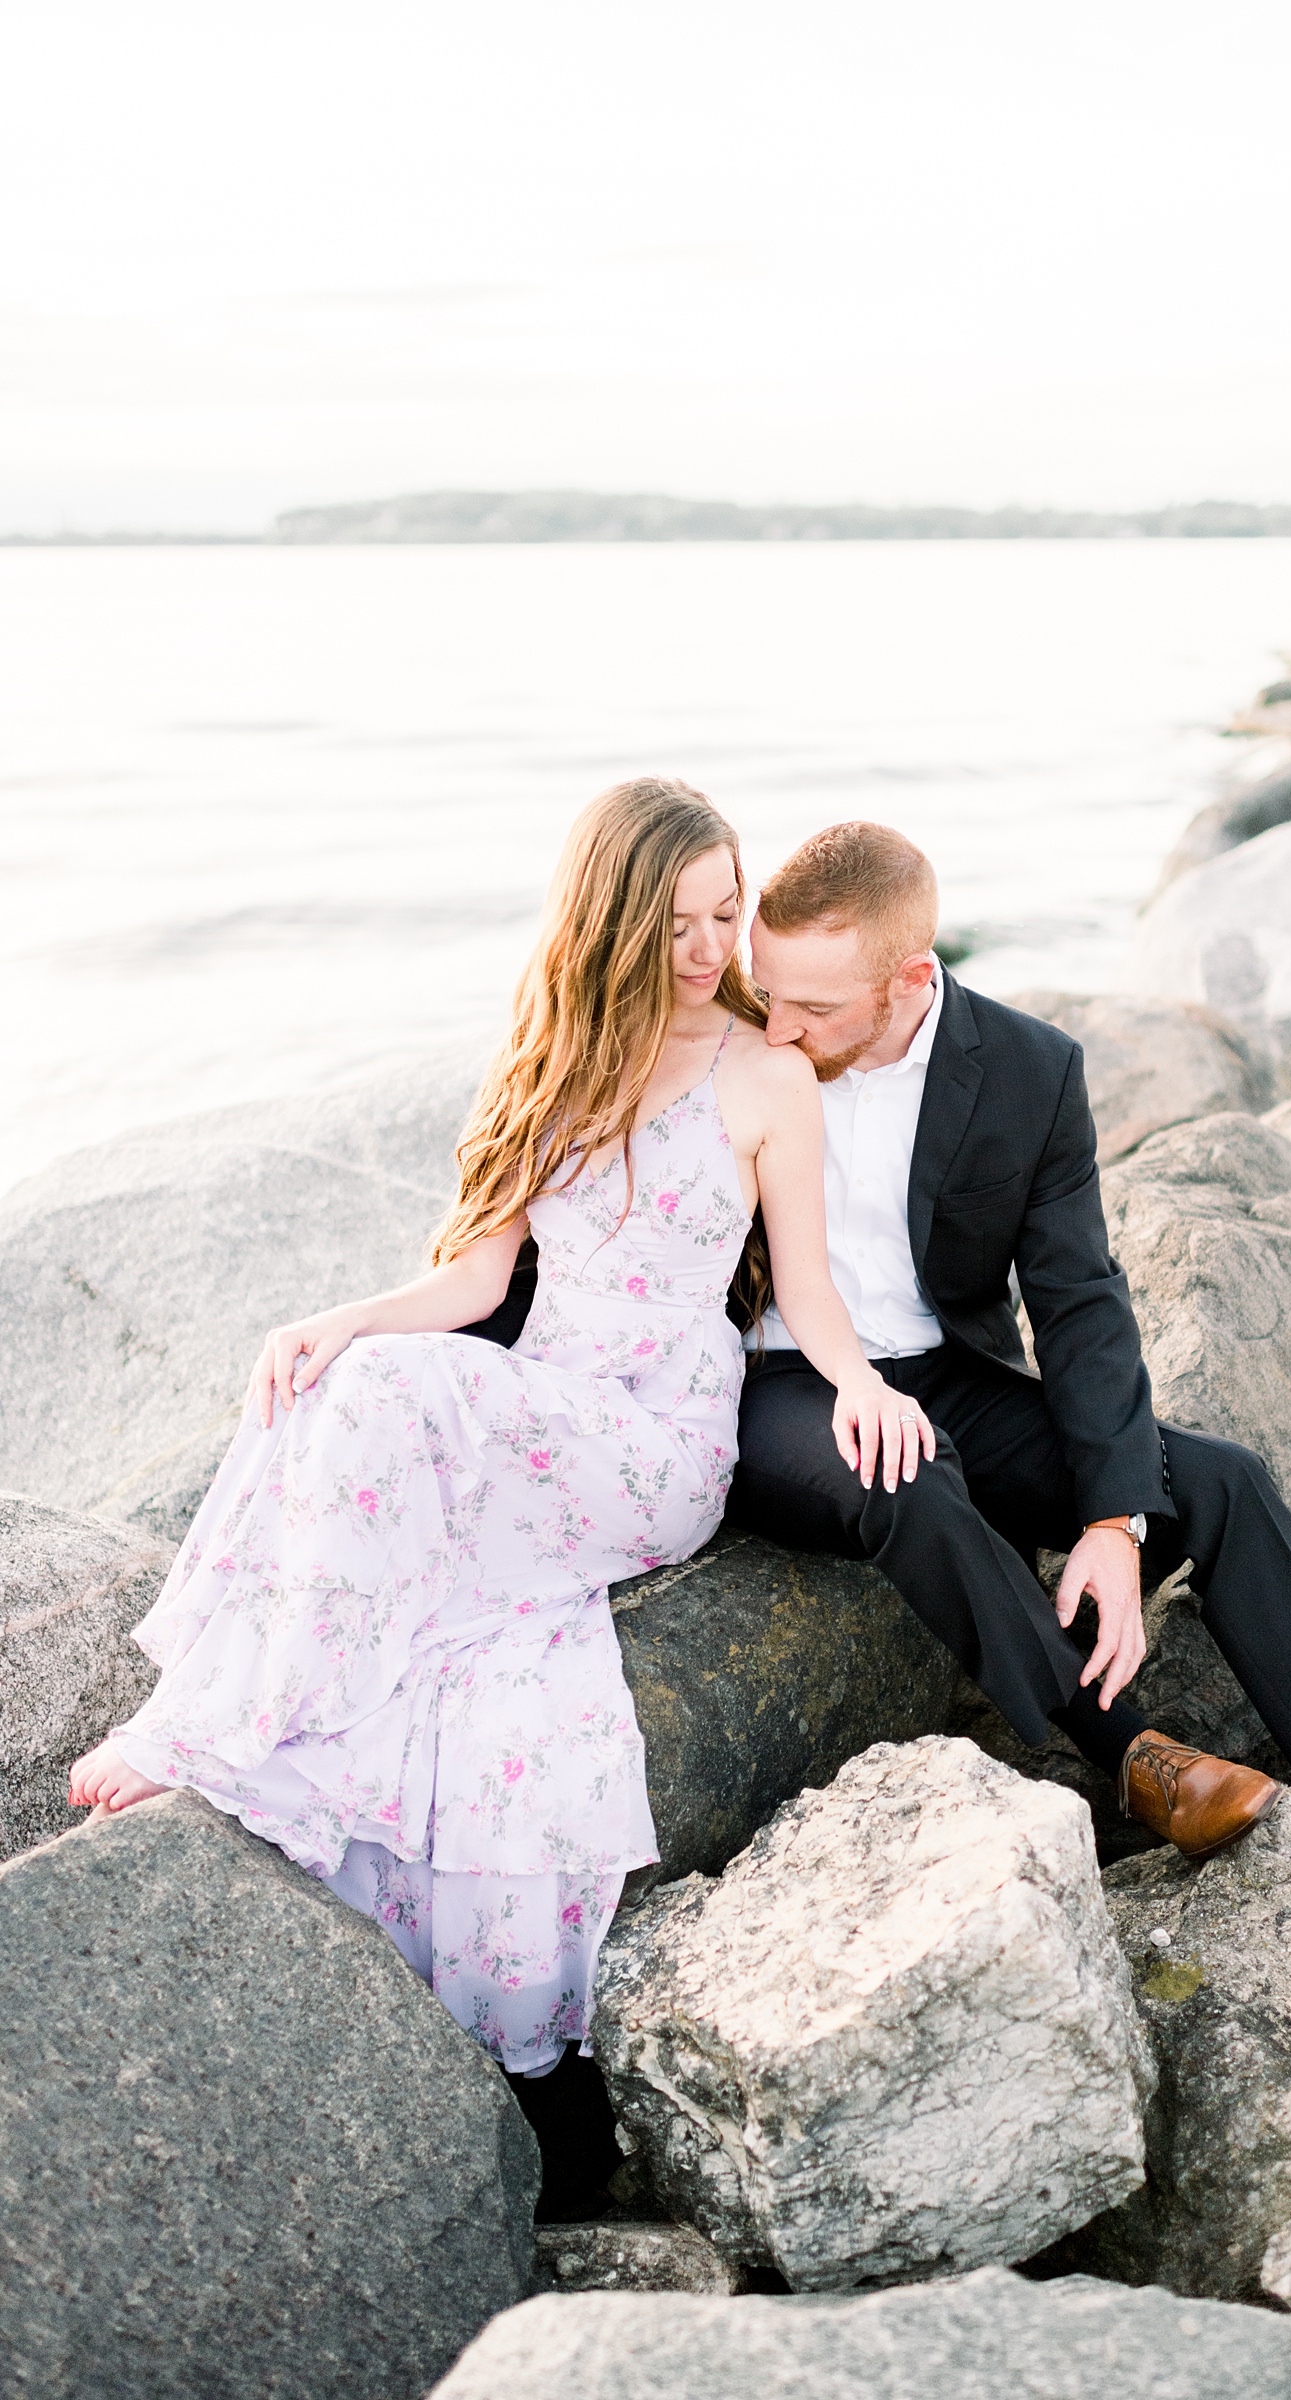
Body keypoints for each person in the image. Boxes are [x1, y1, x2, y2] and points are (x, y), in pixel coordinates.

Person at [68, 779, 935, 2105]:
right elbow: (475, 1287)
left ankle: (239, 1731)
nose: (709, 953)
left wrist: (856, 1384)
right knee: (333, 1382)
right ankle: (270, 1707)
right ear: (607, 925)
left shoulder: (765, 1078)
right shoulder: (556, 1068)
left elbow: (806, 1288)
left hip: (653, 1441)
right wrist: (340, 1319)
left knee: (394, 1401)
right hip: (544, 1399)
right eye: (675, 926)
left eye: (723, 916)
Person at [727, 819, 1291, 1856]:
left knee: (1216, 1481)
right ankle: (1140, 1759)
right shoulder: (727, 1040)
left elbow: (1080, 1301)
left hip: (942, 1375)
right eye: (766, 989)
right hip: (782, 1385)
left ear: (911, 976)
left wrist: (1113, 1521)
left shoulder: (1026, 1070)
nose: (775, 1024)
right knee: (906, 1477)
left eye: (813, 1006)